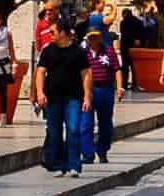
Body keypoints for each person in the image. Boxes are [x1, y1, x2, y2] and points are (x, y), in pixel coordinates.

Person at [35, 21, 90, 179]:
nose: (50, 35)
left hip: (73, 97)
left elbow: (86, 74)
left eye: (52, 32)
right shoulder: (48, 51)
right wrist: (40, 93)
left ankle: (74, 165)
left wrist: (87, 96)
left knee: (73, 130)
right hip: (53, 97)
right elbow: (40, 72)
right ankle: (59, 165)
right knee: (54, 132)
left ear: (63, 33)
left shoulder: (78, 52)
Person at [82, 26, 123, 164]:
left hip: (105, 89)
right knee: (86, 123)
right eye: (91, 36)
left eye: (96, 36)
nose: (94, 39)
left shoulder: (108, 51)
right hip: (88, 90)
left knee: (105, 124)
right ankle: (88, 154)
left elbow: (117, 69)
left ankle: (103, 151)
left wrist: (119, 87)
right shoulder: (82, 52)